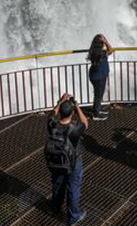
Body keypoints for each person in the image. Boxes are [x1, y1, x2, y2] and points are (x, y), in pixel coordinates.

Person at [45, 93, 88, 225]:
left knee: (58, 185)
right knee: (73, 188)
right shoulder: (75, 129)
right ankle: (73, 217)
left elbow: (52, 113)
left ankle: (55, 209)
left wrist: (61, 101)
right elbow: (85, 122)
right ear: (71, 113)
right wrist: (77, 106)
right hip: (73, 162)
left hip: (56, 161)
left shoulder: (52, 124)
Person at [87, 34, 113, 121]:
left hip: (95, 76)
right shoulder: (102, 53)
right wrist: (106, 41)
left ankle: (97, 109)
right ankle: (96, 115)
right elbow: (111, 50)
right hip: (99, 77)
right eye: (102, 42)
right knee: (98, 95)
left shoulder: (93, 51)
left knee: (98, 94)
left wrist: (102, 41)